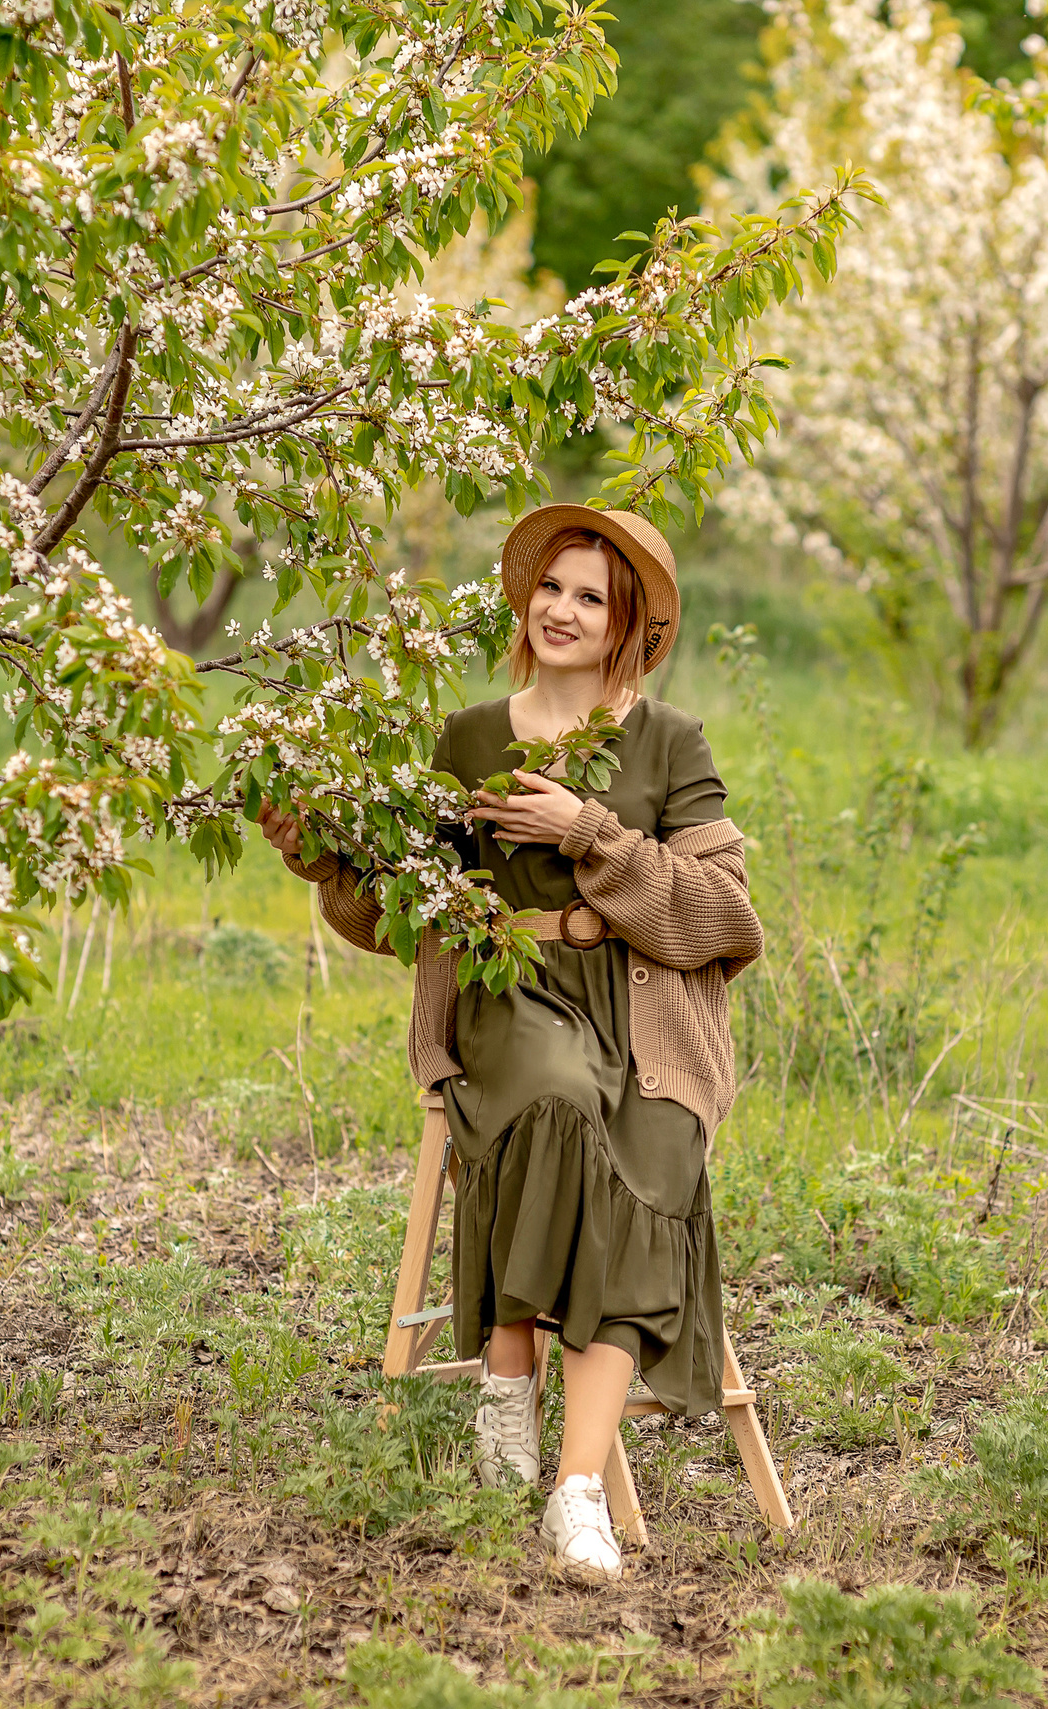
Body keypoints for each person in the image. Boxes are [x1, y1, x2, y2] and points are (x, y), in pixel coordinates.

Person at [253, 505, 762, 1583]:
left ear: (630, 626)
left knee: (653, 1143)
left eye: (591, 596)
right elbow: (404, 910)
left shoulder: (668, 741)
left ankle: (573, 1488)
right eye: (550, 587)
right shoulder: (471, 739)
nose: (562, 609)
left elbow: (727, 915)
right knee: (559, 1100)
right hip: (510, 992)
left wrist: (588, 832)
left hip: (646, 1013)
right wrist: (323, 859)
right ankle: (507, 1370)